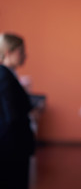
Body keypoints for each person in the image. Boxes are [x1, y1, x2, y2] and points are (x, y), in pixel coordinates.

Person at [0, 33, 35, 189]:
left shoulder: (8, 75)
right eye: (21, 51)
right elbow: (11, 115)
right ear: (8, 52)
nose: (24, 55)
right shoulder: (4, 76)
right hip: (12, 148)